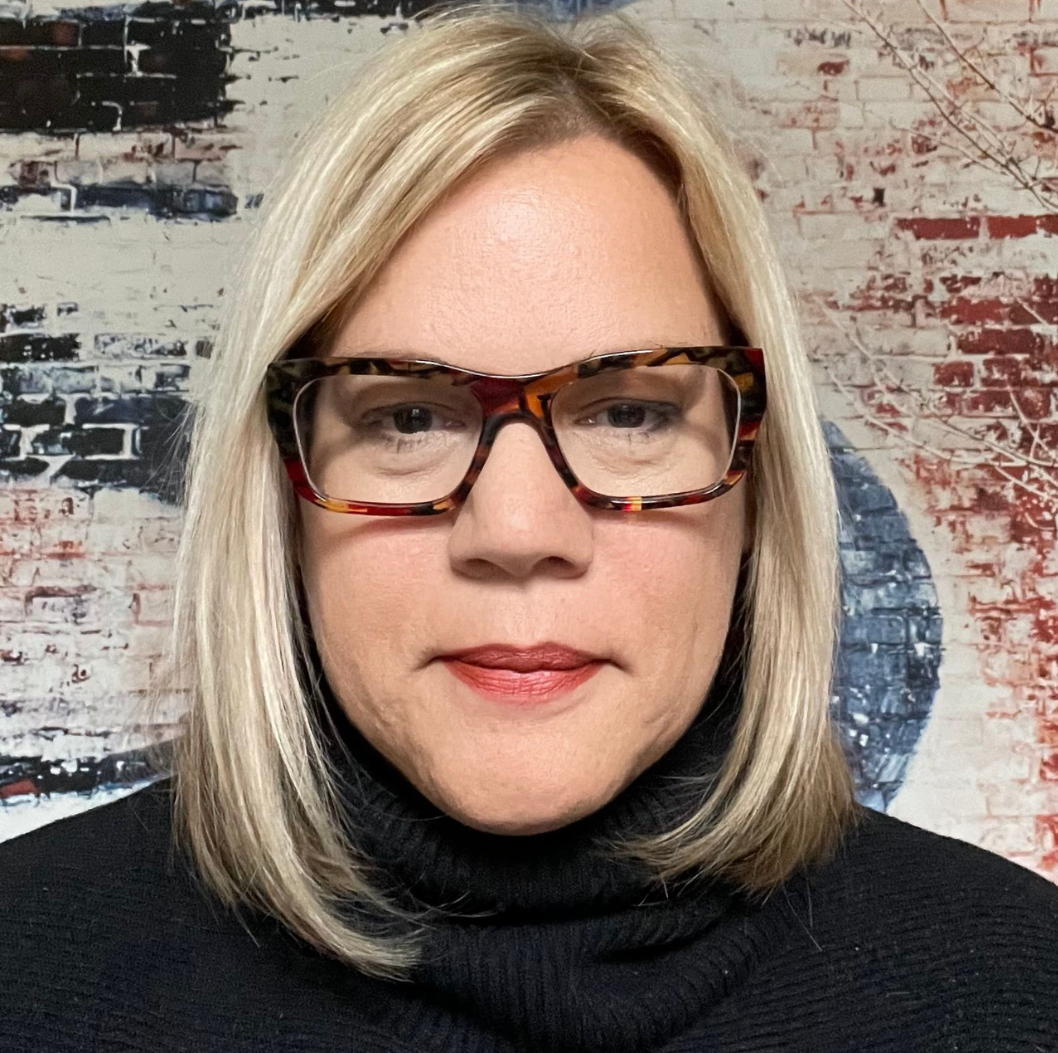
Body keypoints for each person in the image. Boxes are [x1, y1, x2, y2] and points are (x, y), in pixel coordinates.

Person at [1, 5, 1056, 1052]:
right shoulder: (31, 973)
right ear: (279, 481)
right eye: (404, 415)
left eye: (631, 412)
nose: (513, 529)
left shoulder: (1017, 988)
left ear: (754, 485)